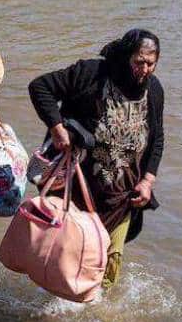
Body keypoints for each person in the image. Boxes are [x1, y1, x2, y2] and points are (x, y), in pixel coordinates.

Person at [28, 29, 165, 290]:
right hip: (80, 191)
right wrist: (57, 129)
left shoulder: (154, 90)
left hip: (123, 198)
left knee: (107, 268)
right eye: (139, 62)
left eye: (151, 63)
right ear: (126, 57)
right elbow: (40, 87)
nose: (145, 70)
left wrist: (147, 180)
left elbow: (157, 138)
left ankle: (93, 318)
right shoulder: (91, 74)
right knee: (67, 263)